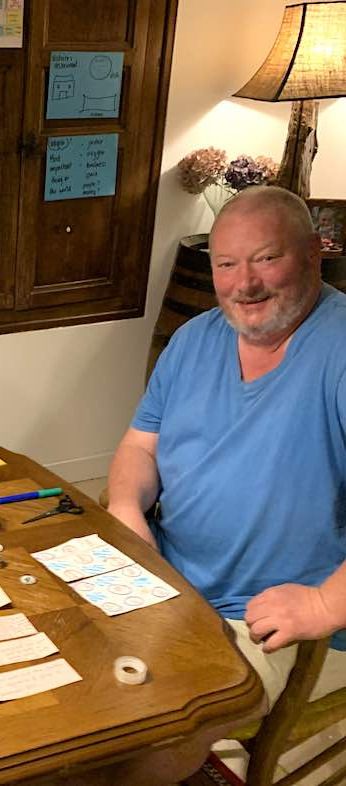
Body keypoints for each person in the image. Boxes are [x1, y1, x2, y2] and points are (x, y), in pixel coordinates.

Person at [107, 185, 346, 707]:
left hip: (272, 616)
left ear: (313, 253)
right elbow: (140, 447)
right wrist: (125, 508)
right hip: (167, 579)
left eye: (267, 258)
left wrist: (325, 605)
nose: (245, 283)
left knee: (152, 721)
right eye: (226, 264)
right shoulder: (194, 338)